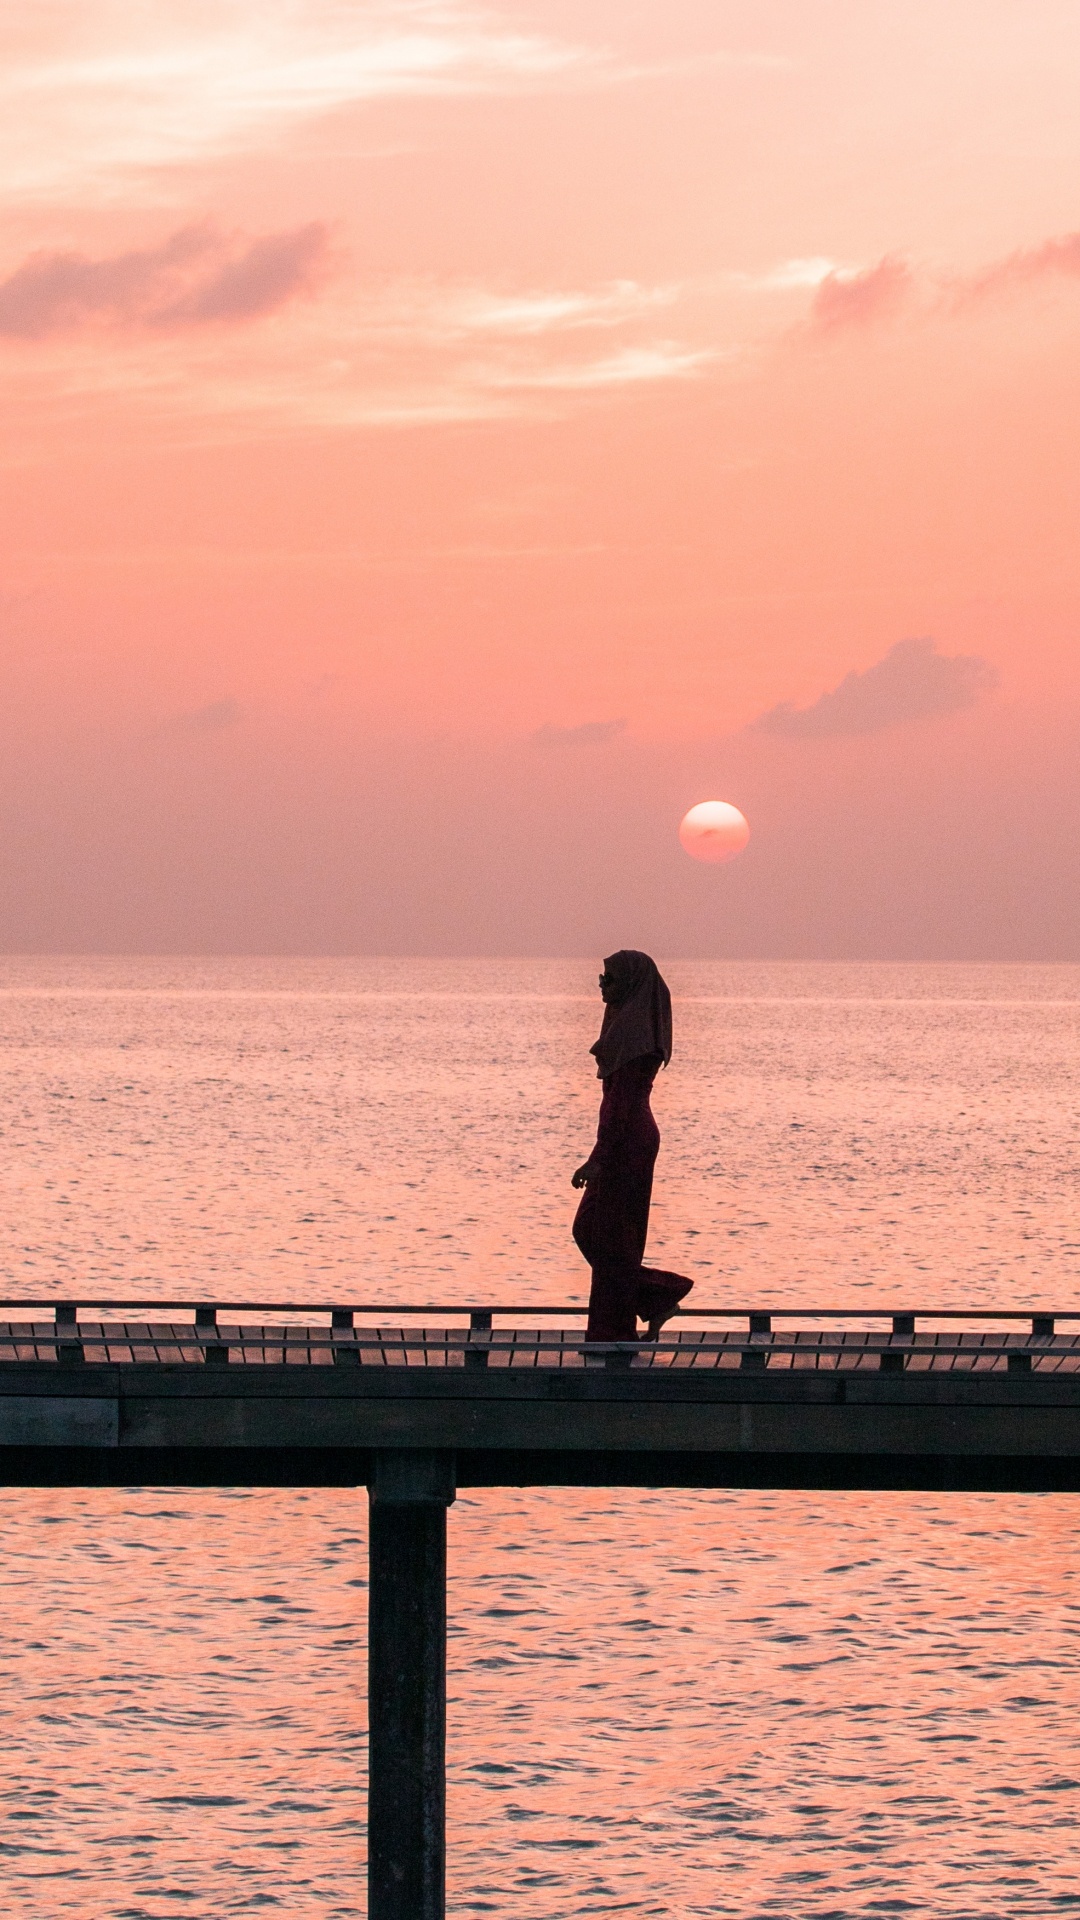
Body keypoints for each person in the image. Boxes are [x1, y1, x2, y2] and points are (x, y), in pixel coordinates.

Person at [571, 950, 693, 1342]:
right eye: (601, 976)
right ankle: (653, 1298)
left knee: (608, 1235)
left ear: (632, 984)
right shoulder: (627, 1027)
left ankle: (623, 1326)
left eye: (610, 978)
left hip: (627, 1140)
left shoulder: (634, 1036)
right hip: (626, 1136)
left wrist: (597, 1159)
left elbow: (619, 1104)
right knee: (598, 1232)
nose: (602, 984)